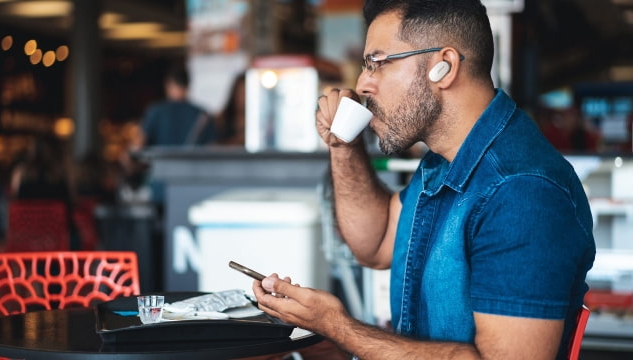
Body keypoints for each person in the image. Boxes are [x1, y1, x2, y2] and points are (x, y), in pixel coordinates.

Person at [252, 1, 596, 359]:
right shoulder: (445, 159)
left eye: (378, 63)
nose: (362, 83)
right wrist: (344, 146)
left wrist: (339, 327)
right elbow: (378, 242)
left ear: (442, 67)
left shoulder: (521, 191)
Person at [140, 66, 217, 147]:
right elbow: (212, 147)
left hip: (160, 159)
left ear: (168, 84)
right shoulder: (202, 114)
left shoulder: (155, 111)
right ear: (188, 85)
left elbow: (140, 144)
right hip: (192, 159)